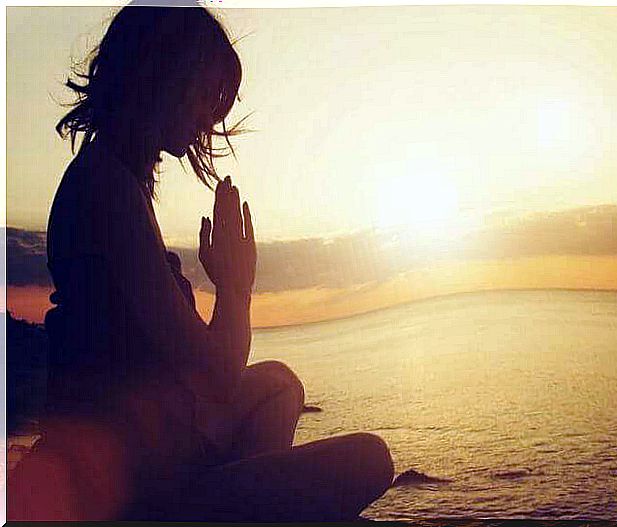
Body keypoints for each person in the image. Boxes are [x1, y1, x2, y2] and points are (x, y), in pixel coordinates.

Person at [7, 5, 393, 521]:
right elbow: (216, 374)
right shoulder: (108, 189)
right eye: (203, 92)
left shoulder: (113, 177)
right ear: (158, 74)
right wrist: (235, 287)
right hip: (136, 483)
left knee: (280, 384)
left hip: (157, 445)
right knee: (370, 458)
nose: (209, 115)